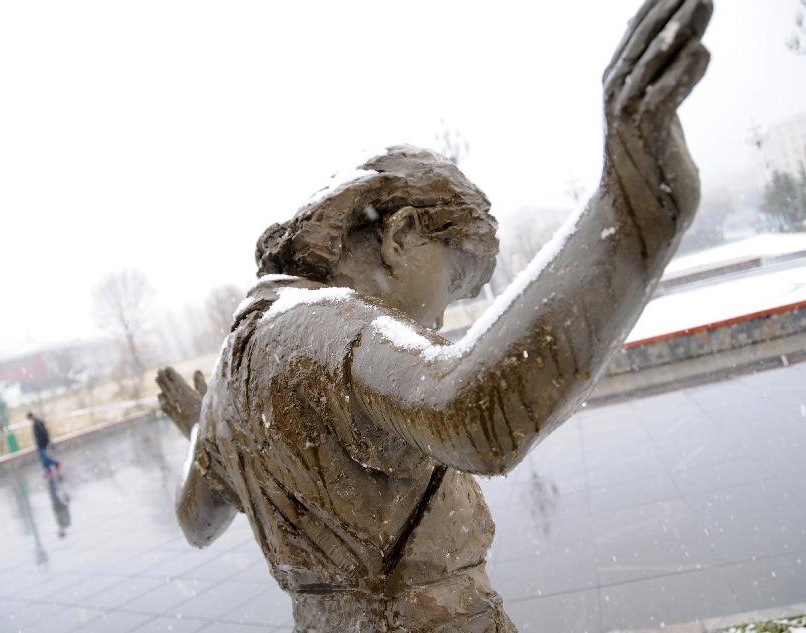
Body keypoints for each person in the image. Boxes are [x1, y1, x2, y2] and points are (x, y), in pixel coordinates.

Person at [158, 1, 713, 630]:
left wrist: (210, 440)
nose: (439, 319)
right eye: (449, 284)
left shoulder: (248, 353)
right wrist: (636, 212)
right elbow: (471, 414)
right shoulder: (323, 326)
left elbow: (194, 522)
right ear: (400, 236)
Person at [28, 412, 61, 478]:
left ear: (32, 416)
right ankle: (49, 471)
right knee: (43, 459)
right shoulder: (37, 423)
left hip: (42, 443)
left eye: (30, 418)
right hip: (40, 443)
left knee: (44, 458)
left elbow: (44, 433)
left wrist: (46, 441)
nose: (30, 420)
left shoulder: (38, 423)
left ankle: (55, 464)